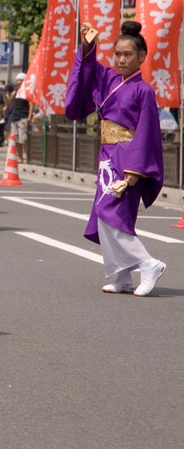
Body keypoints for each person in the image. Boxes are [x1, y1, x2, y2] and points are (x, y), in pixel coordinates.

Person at [65, 21, 166, 296]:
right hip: (108, 155)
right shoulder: (109, 79)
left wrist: (136, 168)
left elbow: (146, 131)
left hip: (127, 158)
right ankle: (121, 276)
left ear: (142, 56)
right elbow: (86, 73)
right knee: (105, 213)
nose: (121, 59)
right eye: (118, 54)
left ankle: (147, 263)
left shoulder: (142, 90)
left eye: (128, 55)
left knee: (113, 213)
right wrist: (88, 46)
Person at [7, 71, 33, 162]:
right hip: (14, 117)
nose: (18, 84)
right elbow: (9, 103)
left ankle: (28, 157)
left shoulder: (27, 91)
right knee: (16, 140)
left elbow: (31, 105)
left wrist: (29, 118)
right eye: (17, 82)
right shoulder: (16, 92)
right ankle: (20, 157)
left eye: (20, 82)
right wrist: (11, 95)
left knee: (24, 140)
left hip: (23, 117)